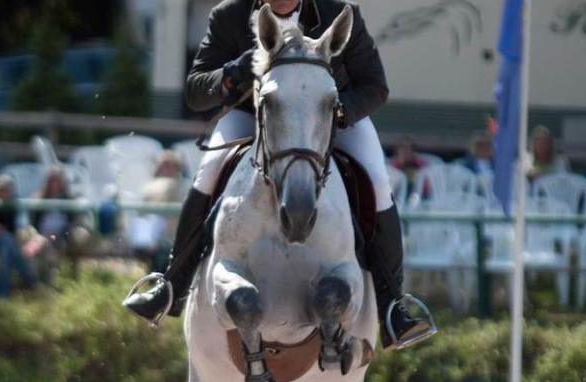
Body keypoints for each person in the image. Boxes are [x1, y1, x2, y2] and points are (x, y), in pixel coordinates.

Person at [122, 0, 433, 350]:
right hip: (254, 115)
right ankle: (171, 286)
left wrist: (340, 112)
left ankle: (393, 306)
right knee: (208, 172)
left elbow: (375, 86)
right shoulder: (230, 15)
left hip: (328, 115)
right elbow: (196, 91)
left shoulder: (338, 13)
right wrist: (230, 75)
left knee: (377, 180)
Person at [0, 175, 37, 297]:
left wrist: (1, 230)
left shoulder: (13, 204)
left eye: (8, 190)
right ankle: (26, 274)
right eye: (2, 189)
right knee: (7, 241)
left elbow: (15, 228)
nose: (5, 193)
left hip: (5, 241)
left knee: (5, 248)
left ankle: (2, 293)